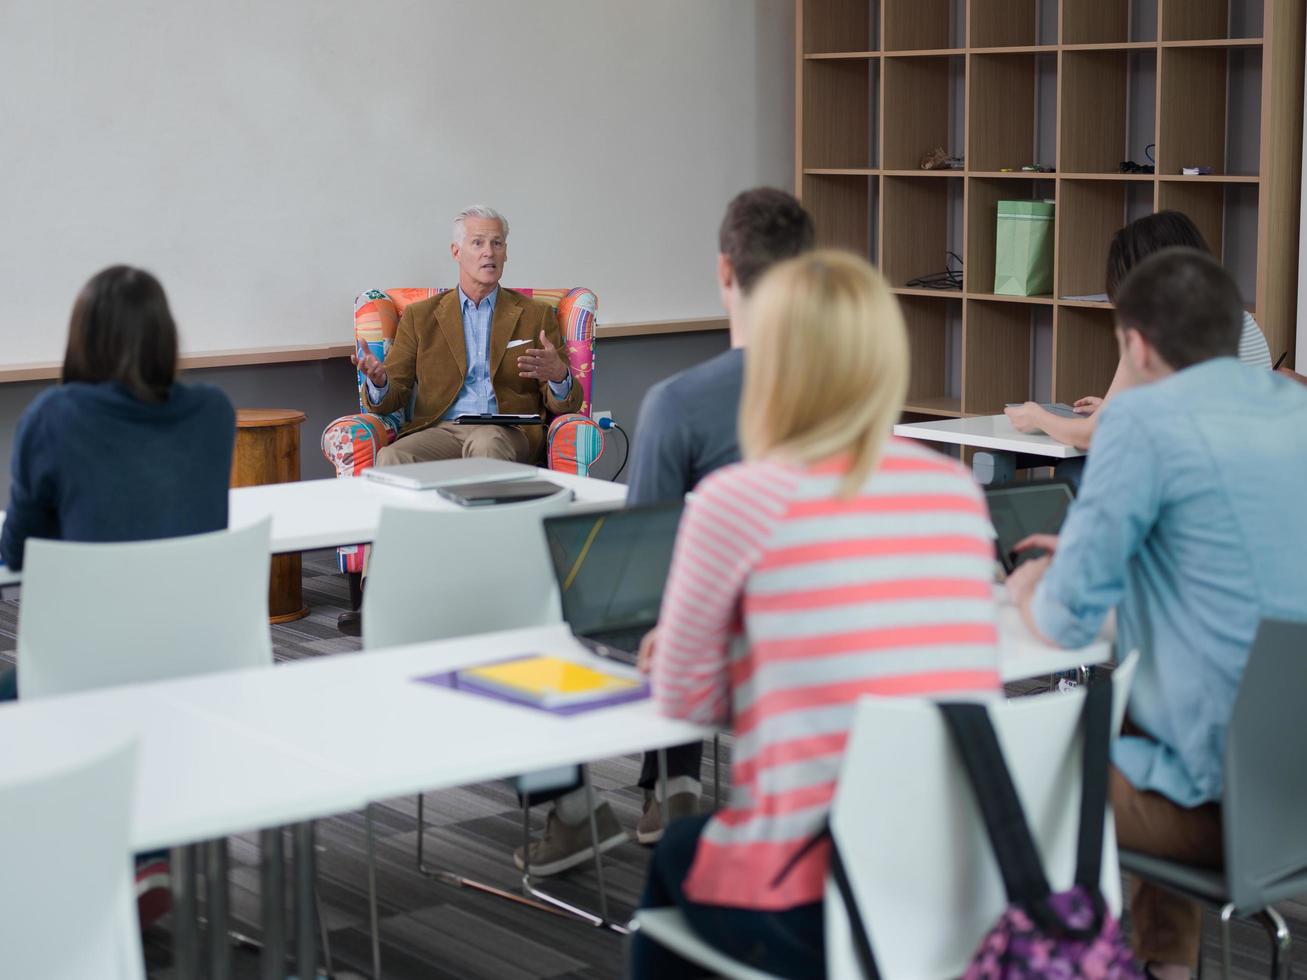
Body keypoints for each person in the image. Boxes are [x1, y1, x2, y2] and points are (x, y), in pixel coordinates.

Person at [629, 250, 1002, 979]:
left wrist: (725, 652)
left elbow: (684, 701)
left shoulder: (736, 500)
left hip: (815, 884)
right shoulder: (956, 490)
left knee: (675, 857)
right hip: (957, 876)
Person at [1006, 248, 1307, 979]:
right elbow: (1231, 569)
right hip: (1292, 781)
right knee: (1139, 704)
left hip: (1229, 807)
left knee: (996, 759)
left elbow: (1061, 624)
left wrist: (1034, 582)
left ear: (1135, 344)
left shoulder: (1139, 421)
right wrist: (1108, 556)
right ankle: (1161, 964)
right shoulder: (1295, 406)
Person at [512, 189, 815, 876]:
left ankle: (577, 810)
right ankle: (670, 788)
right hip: (820, 624)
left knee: (530, 617)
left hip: (722, 639)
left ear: (724, 274)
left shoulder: (681, 402)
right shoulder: (854, 390)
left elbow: (644, 561)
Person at [0, 264, 236, 928]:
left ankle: (55, 866)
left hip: (84, 673)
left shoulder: (54, 416)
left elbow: (21, 551)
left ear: (83, 337)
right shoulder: (215, 411)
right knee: (139, 684)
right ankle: (136, 853)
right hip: (205, 663)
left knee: (30, 694)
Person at [1005, 211, 1272, 452]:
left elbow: (1093, 436)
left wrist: (1037, 416)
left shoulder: (1154, 333)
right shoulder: (1244, 321)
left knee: (1079, 473)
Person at [352, 205, 581, 466]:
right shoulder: (420, 316)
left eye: (497, 243)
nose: (489, 252)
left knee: (486, 443)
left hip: (508, 431)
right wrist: (380, 382)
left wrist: (559, 376)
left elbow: (565, 405)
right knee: (392, 456)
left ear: (505, 253)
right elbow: (393, 396)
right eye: (478, 243)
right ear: (456, 252)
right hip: (443, 429)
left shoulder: (535, 314)